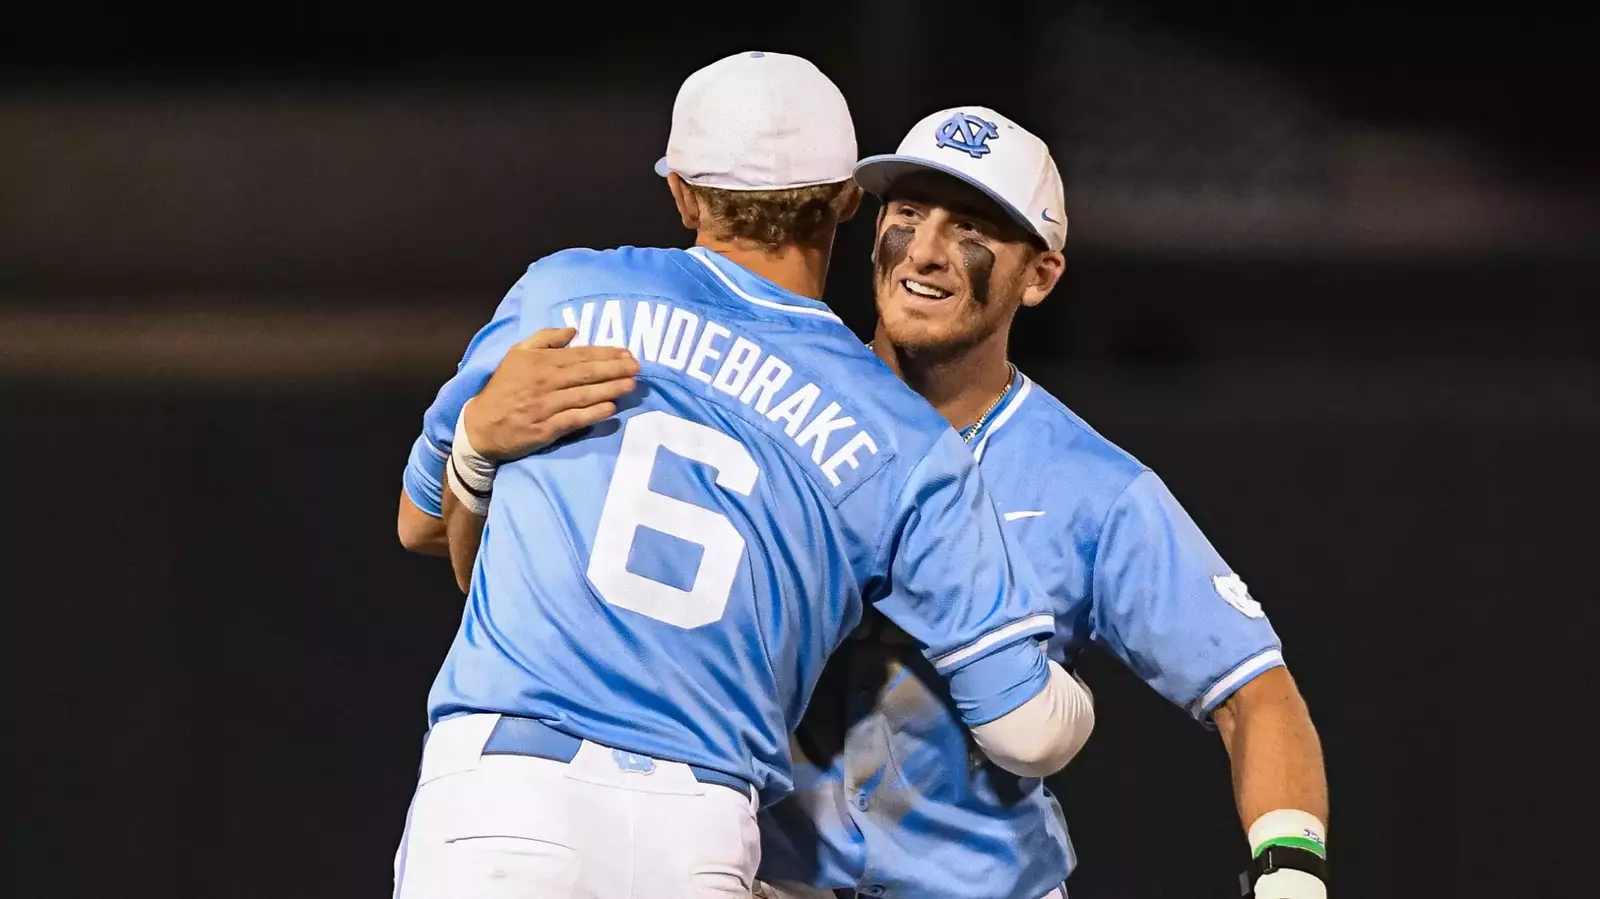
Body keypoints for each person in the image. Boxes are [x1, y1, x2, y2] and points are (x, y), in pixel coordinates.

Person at [389, 58, 1095, 899]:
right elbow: (1029, 733)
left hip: (500, 793)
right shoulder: (902, 434)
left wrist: (474, 445)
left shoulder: (566, 295)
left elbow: (420, 525)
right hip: (693, 828)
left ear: (684, 193)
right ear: (846, 202)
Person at [748, 108, 1330, 899]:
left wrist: (1292, 877)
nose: (924, 251)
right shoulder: (776, 401)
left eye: (972, 227)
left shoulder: (1090, 484)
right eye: (908, 213)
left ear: (1041, 274)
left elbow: (1256, 692)